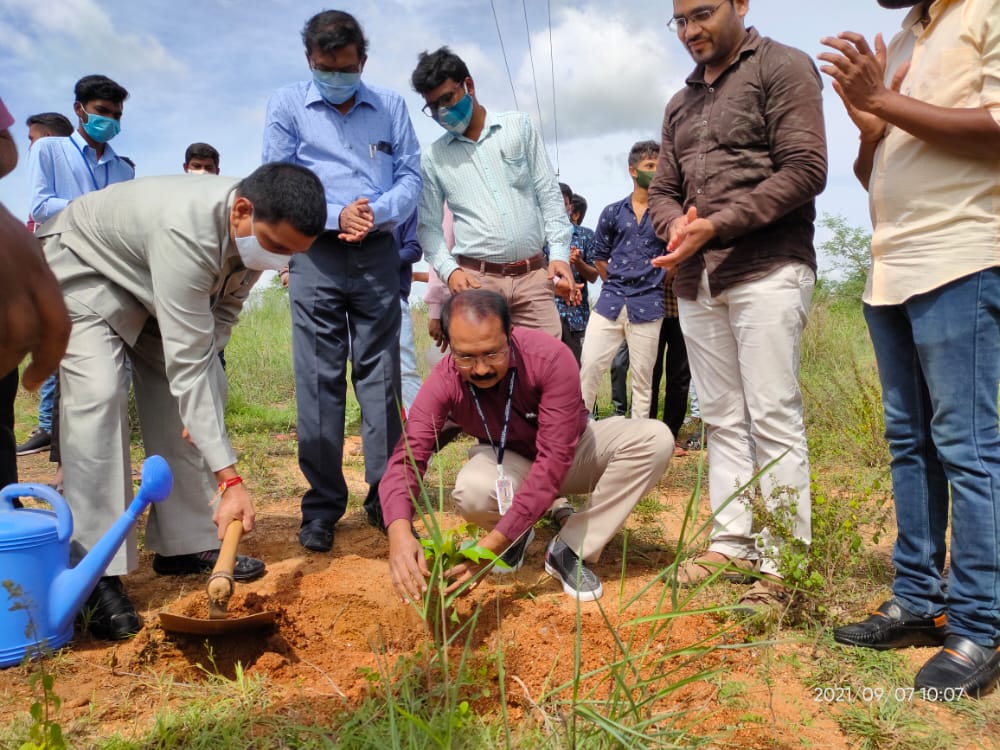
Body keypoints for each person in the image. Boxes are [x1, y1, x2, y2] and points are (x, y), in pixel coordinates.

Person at [37, 162, 327, 640]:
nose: (278, 263)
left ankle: (185, 542)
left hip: (148, 282)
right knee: (99, 395)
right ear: (241, 211)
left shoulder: (256, 238)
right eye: (276, 248)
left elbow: (220, 320)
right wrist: (229, 477)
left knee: (193, 398)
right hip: (86, 269)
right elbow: (187, 359)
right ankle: (96, 573)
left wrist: (203, 408)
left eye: (291, 257)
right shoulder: (187, 232)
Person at [820, 0, 1000, 698]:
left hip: (963, 255)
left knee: (967, 445)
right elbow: (876, 173)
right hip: (892, 266)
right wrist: (872, 125)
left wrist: (884, 98)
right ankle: (919, 599)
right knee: (910, 442)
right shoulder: (902, 39)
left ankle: (980, 625)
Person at [648, 0, 827, 612]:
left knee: (772, 414)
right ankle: (731, 545)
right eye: (679, 21)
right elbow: (663, 192)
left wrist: (718, 224)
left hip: (767, 266)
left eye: (702, 14)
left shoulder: (783, 66)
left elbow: (805, 169)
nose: (691, 30)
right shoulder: (680, 103)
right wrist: (677, 227)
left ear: (740, 5)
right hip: (698, 279)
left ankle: (783, 569)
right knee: (722, 417)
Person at [381, 290, 672, 603]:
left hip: (569, 453)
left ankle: (570, 546)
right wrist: (399, 531)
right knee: (473, 489)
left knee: (654, 440)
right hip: (509, 459)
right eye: (466, 357)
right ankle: (513, 535)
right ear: (449, 347)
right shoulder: (444, 380)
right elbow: (407, 458)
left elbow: (553, 461)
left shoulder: (549, 358)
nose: (481, 369)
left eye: (492, 353)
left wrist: (486, 551)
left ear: (510, 334)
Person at [263, 10, 421, 553]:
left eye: (347, 68)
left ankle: (385, 498)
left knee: (381, 378)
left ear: (363, 62)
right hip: (314, 253)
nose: (337, 78)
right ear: (310, 61)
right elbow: (277, 181)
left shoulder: (392, 106)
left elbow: (410, 178)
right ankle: (323, 506)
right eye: (326, 69)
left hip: (378, 251)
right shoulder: (286, 106)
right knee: (317, 377)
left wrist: (373, 214)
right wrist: (336, 215)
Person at [411, 46, 576, 337]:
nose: (443, 112)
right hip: (477, 282)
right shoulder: (434, 158)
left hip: (533, 280)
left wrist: (560, 254)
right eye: (433, 106)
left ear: (469, 85)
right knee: (484, 372)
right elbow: (429, 229)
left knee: (545, 369)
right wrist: (451, 271)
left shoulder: (518, 127)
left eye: (448, 98)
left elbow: (549, 196)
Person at [20, 76, 135, 459]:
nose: (110, 121)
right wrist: (91, 209)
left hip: (110, 273)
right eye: (103, 112)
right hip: (65, 267)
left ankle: (94, 461)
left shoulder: (123, 169)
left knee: (110, 378)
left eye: (117, 115)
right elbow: (40, 205)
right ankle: (67, 463)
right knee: (72, 371)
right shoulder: (50, 150)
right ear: (79, 109)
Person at [579, 141, 666, 420]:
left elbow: (674, 257)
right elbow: (600, 257)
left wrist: (655, 281)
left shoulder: (666, 215)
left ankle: (639, 442)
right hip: (610, 302)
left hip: (649, 305)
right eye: (649, 166)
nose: (656, 171)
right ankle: (577, 433)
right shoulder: (612, 212)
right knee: (590, 366)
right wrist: (616, 283)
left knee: (643, 380)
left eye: (659, 166)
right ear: (633, 170)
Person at [556, 185, 598, 364]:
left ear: (570, 207)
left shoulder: (586, 236)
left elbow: (594, 275)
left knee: (581, 373)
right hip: (547, 316)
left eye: (563, 203)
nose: (558, 208)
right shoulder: (538, 237)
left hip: (577, 317)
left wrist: (578, 262)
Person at [396, 211, 423, 412]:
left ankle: (420, 432)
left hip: (393, 296)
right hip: (352, 297)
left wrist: (380, 262)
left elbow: (414, 247)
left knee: (405, 368)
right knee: (364, 368)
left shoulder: (404, 204)